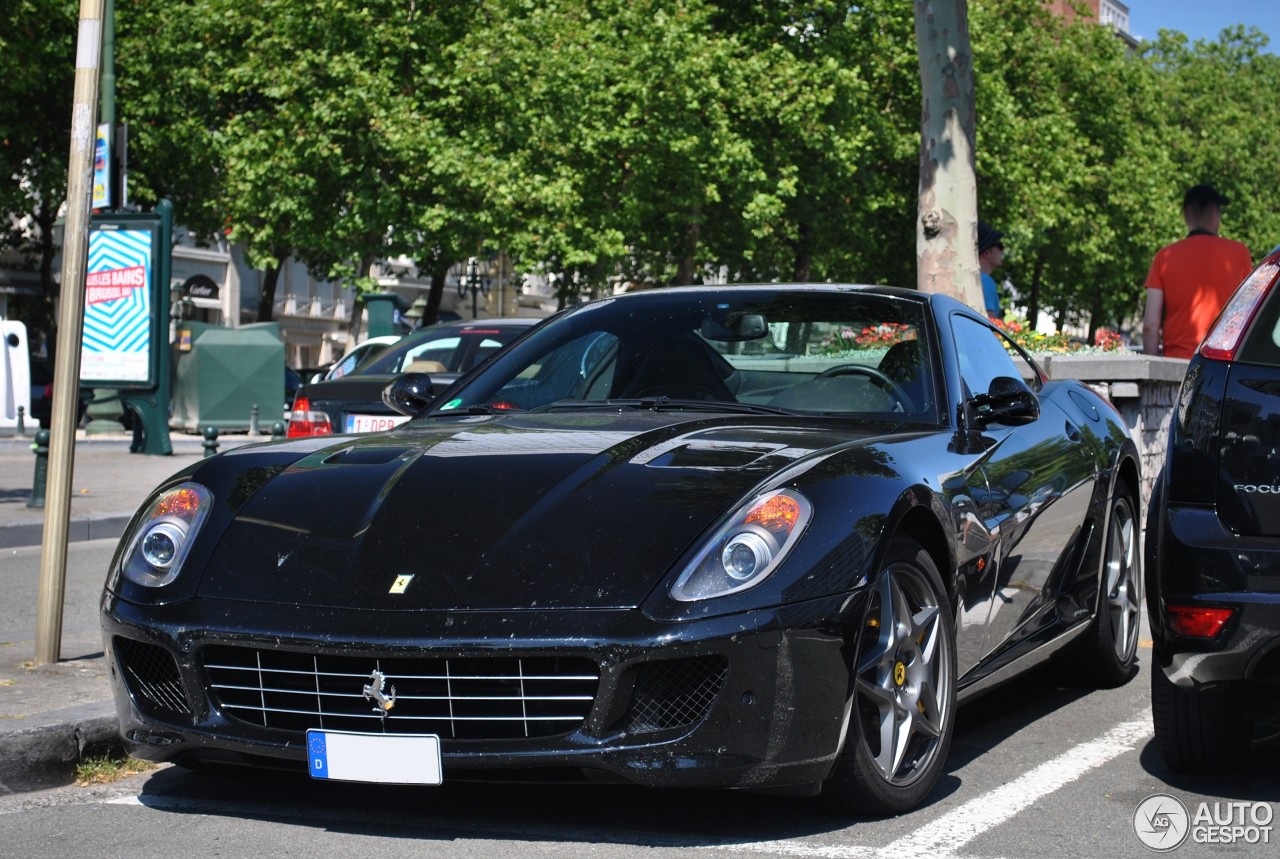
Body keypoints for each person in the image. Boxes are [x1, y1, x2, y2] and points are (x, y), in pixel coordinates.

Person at [1142, 184, 1253, 358]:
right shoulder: (1239, 253)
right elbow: (1250, 311)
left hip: (1177, 363)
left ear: (1186, 214)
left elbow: (1150, 324)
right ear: (1214, 213)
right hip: (1222, 363)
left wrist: (1153, 371)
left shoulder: (1164, 257)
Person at [977, 221, 1005, 321]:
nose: (1002, 251)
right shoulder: (986, 281)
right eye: (1000, 246)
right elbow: (990, 322)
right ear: (987, 253)